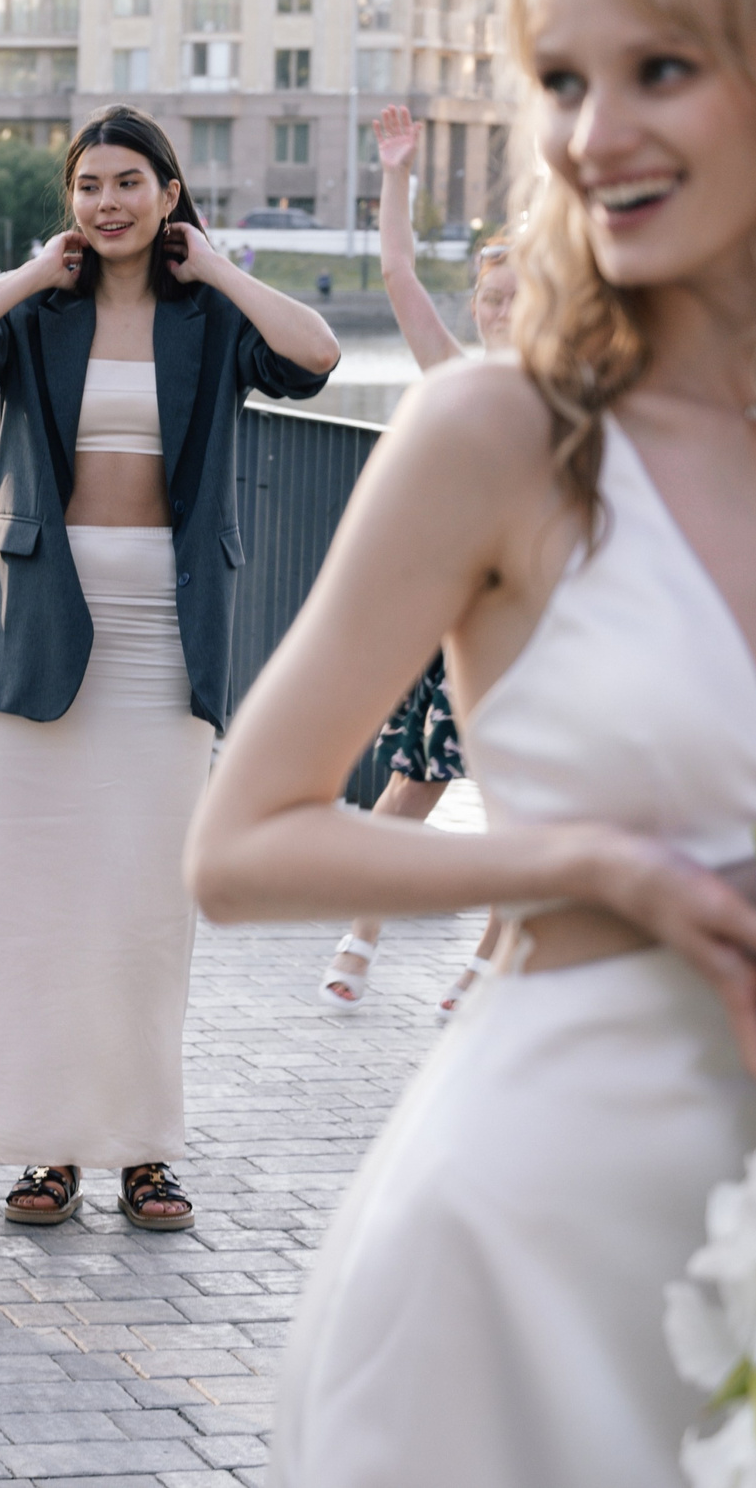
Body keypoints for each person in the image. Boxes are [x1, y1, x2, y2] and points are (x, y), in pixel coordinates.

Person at [184, 0, 756, 1486]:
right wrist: (591, 863)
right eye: (563, 83)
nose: (594, 135)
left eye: (660, 69)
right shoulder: (503, 432)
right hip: (517, 1242)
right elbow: (239, 845)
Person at [0, 105, 338, 1232]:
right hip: (50, 624)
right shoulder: (41, 309)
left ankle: (143, 1149)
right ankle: (46, 1149)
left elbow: (315, 358)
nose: (107, 202)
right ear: (71, 200)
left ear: (167, 190)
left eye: (129, 182)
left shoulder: (209, 314)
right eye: (88, 184)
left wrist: (228, 270)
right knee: (40, 905)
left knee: (145, 906)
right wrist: (26, 273)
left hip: (166, 631)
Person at [315, 106, 522, 1017]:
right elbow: (399, 277)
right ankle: (360, 931)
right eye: (490, 295)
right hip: (462, 624)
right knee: (416, 779)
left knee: (529, 809)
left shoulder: (587, 397)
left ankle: (487, 962)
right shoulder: (459, 381)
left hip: (545, 627)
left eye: (520, 295)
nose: (499, 309)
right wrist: (396, 174)